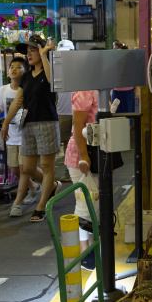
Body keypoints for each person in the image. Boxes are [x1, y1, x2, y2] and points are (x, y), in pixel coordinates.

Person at [2, 35, 61, 221]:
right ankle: (50, 185)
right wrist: (5, 123)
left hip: (47, 123)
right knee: (26, 167)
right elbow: (16, 103)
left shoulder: (50, 72)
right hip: (27, 125)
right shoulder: (26, 77)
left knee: (46, 165)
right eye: (27, 52)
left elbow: (52, 82)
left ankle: (42, 206)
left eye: (32, 50)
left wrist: (44, 55)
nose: (28, 54)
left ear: (42, 51)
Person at [0, 56, 42, 204]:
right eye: (12, 67)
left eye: (18, 67)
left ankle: (21, 198)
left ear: (25, 71)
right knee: (14, 168)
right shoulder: (3, 89)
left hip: (25, 134)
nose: (13, 69)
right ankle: (34, 186)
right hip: (10, 136)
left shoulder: (28, 89)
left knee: (25, 168)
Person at [65, 88, 99, 271]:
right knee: (86, 205)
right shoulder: (85, 89)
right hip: (82, 156)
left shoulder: (99, 88)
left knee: (94, 205)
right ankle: (84, 251)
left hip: (96, 154)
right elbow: (78, 123)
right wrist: (83, 155)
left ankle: (91, 248)